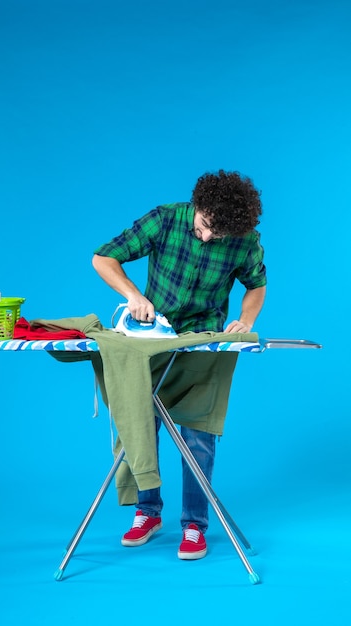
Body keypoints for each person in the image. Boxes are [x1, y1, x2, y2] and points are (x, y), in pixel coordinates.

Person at [92, 169, 267, 560]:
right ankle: (147, 512)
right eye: (205, 225)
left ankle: (194, 525)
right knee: (141, 422)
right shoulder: (165, 219)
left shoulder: (244, 240)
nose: (207, 237)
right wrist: (134, 295)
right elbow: (103, 258)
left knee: (198, 434)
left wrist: (247, 321)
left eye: (217, 235)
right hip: (154, 338)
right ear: (198, 206)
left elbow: (256, 284)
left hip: (205, 341)